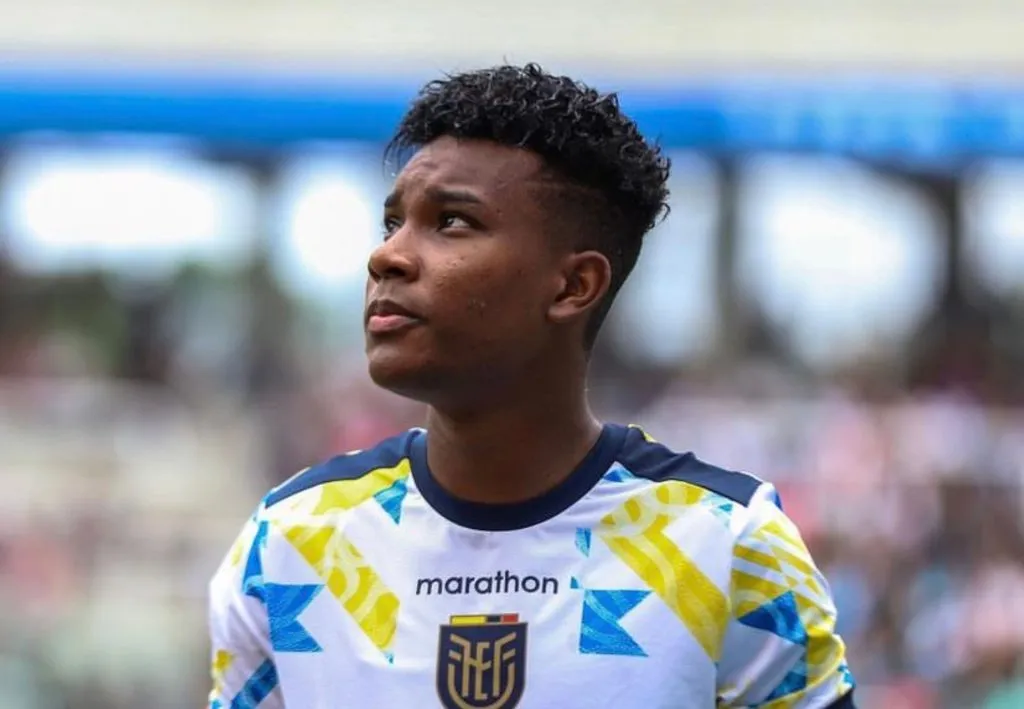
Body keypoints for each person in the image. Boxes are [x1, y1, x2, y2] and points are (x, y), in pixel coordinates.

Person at [207, 64, 857, 708]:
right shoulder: (291, 542)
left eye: (451, 222)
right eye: (392, 223)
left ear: (574, 285)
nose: (388, 255)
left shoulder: (727, 545)